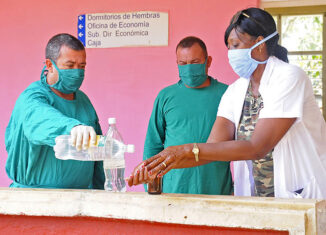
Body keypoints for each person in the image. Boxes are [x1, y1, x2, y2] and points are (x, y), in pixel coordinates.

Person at [128, 8, 326, 199]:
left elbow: (258, 147)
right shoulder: (236, 91)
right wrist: (158, 165)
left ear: (259, 44)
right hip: (257, 201)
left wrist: (185, 149)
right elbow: (210, 150)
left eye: (236, 45)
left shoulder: (289, 77)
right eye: (229, 47)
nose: (230, 52)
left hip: (298, 196)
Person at [133, 36, 233, 195]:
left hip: (217, 187)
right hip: (174, 189)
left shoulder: (228, 94)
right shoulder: (166, 96)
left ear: (208, 62)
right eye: (183, 64)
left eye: (194, 63)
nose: (189, 68)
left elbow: (240, 145)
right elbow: (153, 144)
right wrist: (151, 185)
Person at [5, 33, 104, 189]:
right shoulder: (32, 97)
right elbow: (40, 119)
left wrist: (102, 192)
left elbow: (98, 154)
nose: (77, 72)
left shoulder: (83, 101)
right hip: (34, 200)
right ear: (50, 65)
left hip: (81, 200)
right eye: (70, 65)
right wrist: (72, 128)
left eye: (82, 66)